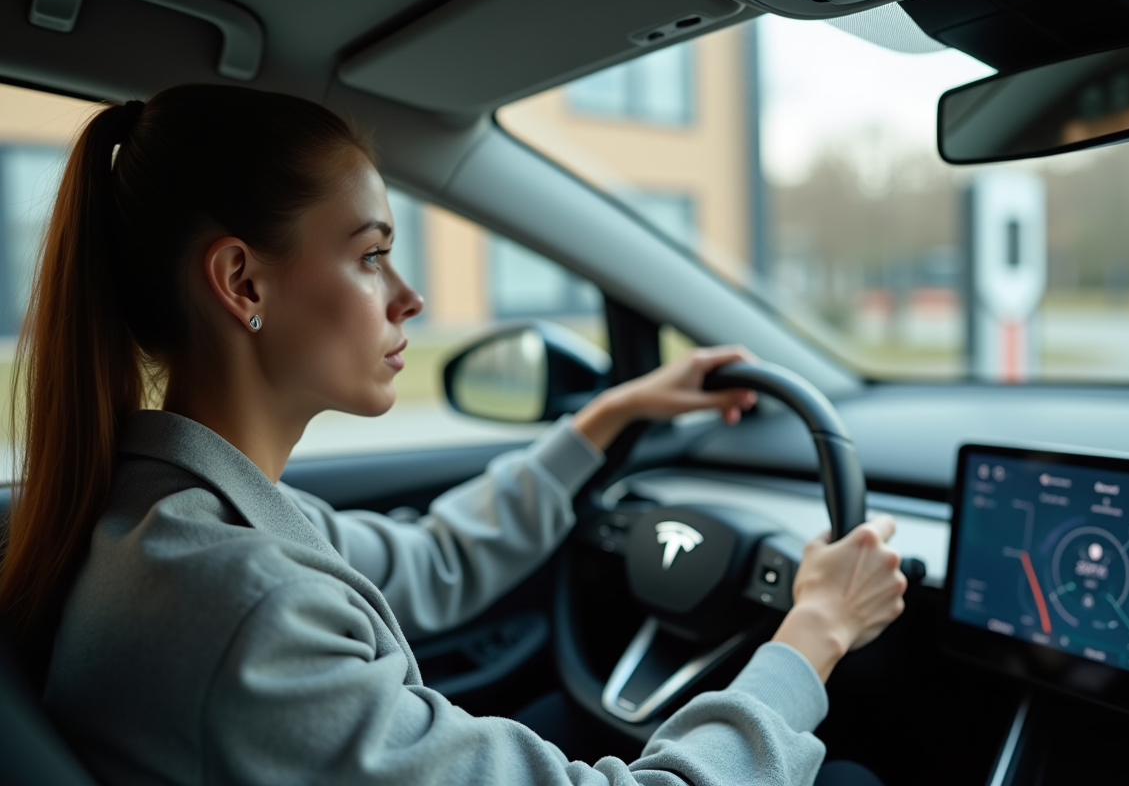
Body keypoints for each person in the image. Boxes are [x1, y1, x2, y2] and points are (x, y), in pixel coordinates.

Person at [0, 84, 906, 785]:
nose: (409, 297)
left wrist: (605, 417)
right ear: (242, 283)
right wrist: (815, 631)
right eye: (369, 254)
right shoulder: (243, 605)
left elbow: (434, 560)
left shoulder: (175, 514)